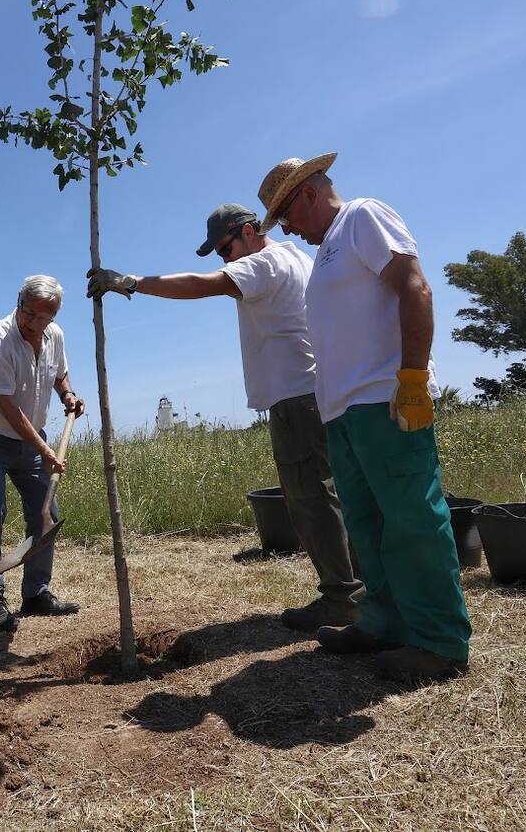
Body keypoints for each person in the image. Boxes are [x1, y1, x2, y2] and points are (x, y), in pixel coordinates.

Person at [86, 203, 364, 631]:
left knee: (310, 499)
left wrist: (132, 283)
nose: (225, 259)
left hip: (295, 396)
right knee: (332, 494)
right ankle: (360, 589)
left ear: (251, 231)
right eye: (219, 253)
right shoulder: (294, 256)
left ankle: (343, 598)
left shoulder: (265, 261)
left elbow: (204, 285)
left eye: (225, 248)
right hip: (314, 390)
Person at [255, 152, 471, 682]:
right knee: (367, 522)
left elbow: (414, 287)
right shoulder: (327, 249)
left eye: (287, 216)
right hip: (342, 410)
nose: (287, 229)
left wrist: (414, 380)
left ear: (306, 193)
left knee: (412, 517)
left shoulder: (362, 217)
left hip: (385, 398)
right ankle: (383, 621)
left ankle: (440, 643)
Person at [0, 275, 84, 631]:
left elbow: (59, 374)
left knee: (46, 512)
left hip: (31, 438)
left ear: (54, 314)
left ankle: (36, 593)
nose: (32, 322)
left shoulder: (54, 335)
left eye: (42, 317)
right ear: (18, 300)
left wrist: (67, 395)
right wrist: (45, 449)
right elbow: (6, 406)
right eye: (27, 312)